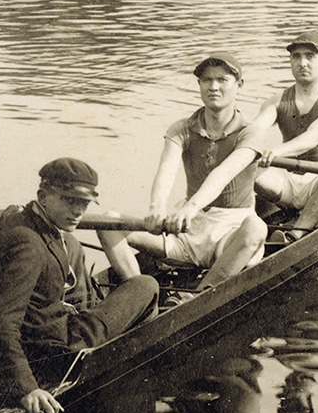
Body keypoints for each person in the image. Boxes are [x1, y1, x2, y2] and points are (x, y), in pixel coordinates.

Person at [0, 158, 158, 413]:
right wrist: (27, 389)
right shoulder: (28, 243)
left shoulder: (17, 223)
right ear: (43, 196)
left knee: (73, 245)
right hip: (56, 351)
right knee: (145, 285)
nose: (78, 211)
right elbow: (2, 320)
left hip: (40, 337)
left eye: (84, 203)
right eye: (69, 201)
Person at [99, 53, 268, 292]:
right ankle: (141, 294)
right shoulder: (181, 128)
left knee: (257, 228)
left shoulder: (251, 132)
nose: (214, 87)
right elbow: (166, 170)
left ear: (238, 85)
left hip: (231, 232)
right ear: (199, 85)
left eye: (222, 80)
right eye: (207, 80)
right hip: (189, 232)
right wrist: (156, 209)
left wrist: (190, 208)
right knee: (108, 222)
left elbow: (222, 174)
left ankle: (200, 296)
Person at [252, 32, 318, 231]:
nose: (302, 63)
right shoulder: (276, 100)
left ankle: (296, 236)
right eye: (296, 56)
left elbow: (312, 137)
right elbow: (254, 130)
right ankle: (233, 226)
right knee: (244, 167)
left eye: (310, 56)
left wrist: (277, 151)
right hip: (288, 186)